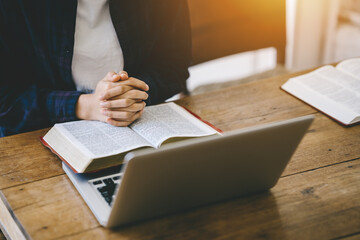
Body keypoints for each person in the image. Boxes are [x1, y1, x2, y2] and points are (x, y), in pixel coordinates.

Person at [0, 0, 192, 137]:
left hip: (140, 129)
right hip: (33, 138)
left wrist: (131, 96)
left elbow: (174, 65)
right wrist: (86, 106)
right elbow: (5, 101)